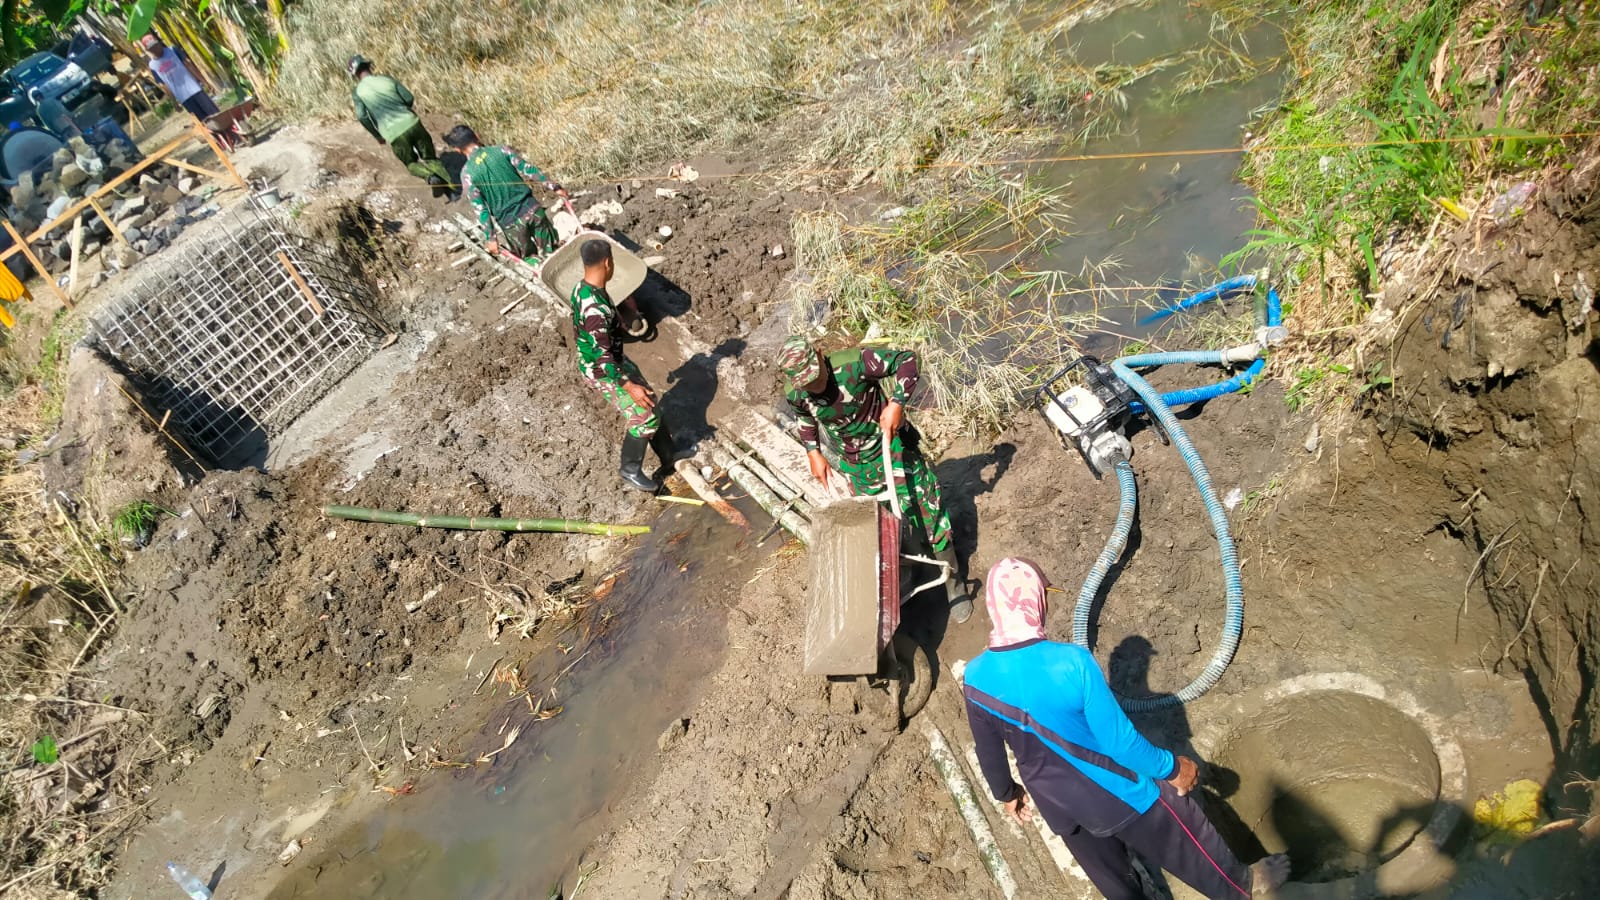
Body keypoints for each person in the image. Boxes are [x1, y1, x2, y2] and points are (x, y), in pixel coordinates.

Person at [963, 557, 1291, 900]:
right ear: (1035, 600)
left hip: (1059, 808)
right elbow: (1119, 743)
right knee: (1187, 827)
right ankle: (1241, 885)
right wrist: (1174, 768)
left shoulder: (976, 678)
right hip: (1118, 793)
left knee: (1116, 884)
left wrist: (1007, 795)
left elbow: (990, 753)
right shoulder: (1072, 662)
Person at [778, 335, 972, 623]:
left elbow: (907, 360)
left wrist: (896, 404)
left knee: (929, 513)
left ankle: (954, 586)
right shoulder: (796, 391)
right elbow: (804, 417)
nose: (815, 385)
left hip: (892, 449)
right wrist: (813, 452)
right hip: (857, 466)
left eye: (816, 376)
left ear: (820, 354)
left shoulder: (855, 364)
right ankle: (914, 564)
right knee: (885, 524)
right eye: (807, 382)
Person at [570, 239, 676, 491]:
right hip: (603, 370)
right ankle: (630, 469)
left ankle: (669, 457)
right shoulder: (594, 308)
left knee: (650, 401)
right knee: (643, 418)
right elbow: (601, 355)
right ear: (608, 263)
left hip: (613, 360)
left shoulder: (585, 288)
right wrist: (628, 386)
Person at [443, 124, 566, 263]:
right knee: (554, 252)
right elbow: (528, 170)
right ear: (476, 136)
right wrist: (555, 187)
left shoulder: (467, 174)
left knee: (530, 260)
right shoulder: (501, 150)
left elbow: (481, 210)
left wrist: (491, 238)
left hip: (511, 223)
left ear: (458, 150)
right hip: (533, 210)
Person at [347, 55, 455, 198]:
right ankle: (454, 190)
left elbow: (362, 116)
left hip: (394, 133)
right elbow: (409, 98)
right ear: (368, 66)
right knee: (431, 158)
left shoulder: (358, 92)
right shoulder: (387, 79)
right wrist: (402, 109)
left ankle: (430, 177)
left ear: (354, 74)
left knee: (410, 163)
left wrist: (377, 135)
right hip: (412, 122)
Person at [140, 35, 218, 124]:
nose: (156, 48)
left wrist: (205, 81)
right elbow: (163, 85)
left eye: (156, 45)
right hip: (183, 97)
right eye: (152, 48)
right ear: (149, 50)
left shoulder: (172, 50)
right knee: (204, 122)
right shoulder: (153, 65)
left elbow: (188, 65)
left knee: (214, 114)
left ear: (159, 43)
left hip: (195, 89)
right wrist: (174, 102)